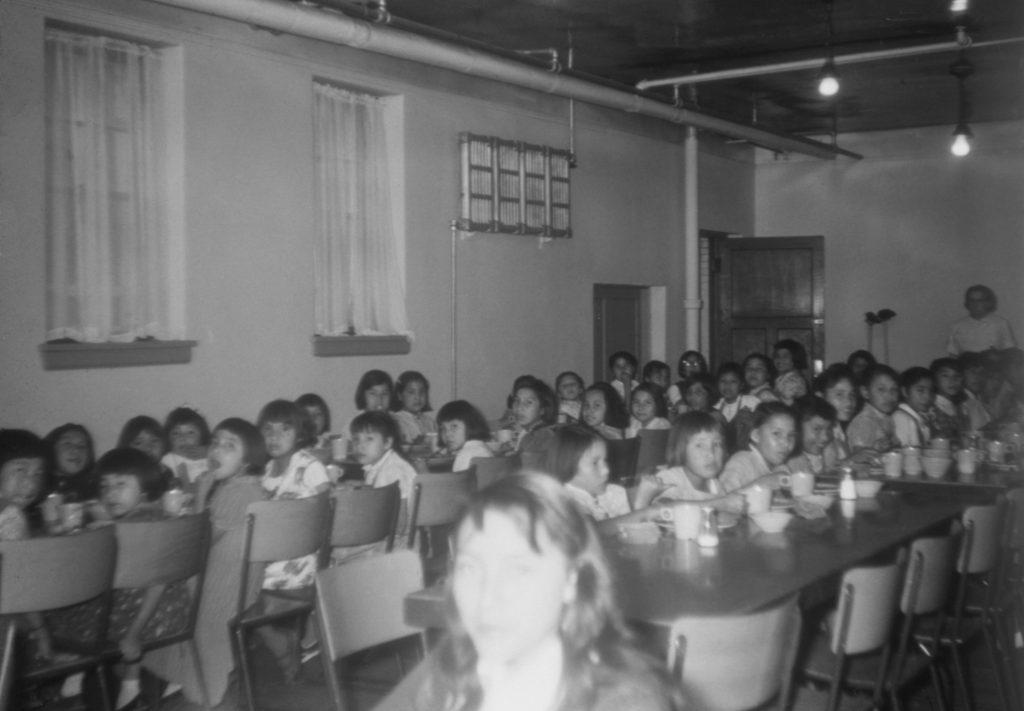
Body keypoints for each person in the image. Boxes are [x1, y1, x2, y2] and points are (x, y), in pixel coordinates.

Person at [375, 472, 684, 711]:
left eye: (518, 569)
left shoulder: (625, 701)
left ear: (571, 580)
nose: (487, 597)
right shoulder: (445, 675)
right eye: (470, 568)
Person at [146, 418, 266, 707]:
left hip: (218, 593)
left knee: (152, 584)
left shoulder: (237, 492)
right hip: (233, 586)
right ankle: (178, 673)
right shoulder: (242, 486)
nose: (217, 450)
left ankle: (144, 683)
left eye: (230, 445)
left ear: (248, 458)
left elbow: (197, 544)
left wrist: (200, 495)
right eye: (215, 442)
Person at [54, 448, 186, 710]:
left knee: (72, 609)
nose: (110, 493)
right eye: (105, 486)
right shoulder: (149, 516)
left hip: (150, 615)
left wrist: (134, 634)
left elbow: (156, 583)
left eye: (120, 484)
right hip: (164, 610)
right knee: (87, 602)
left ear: (145, 488)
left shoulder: (143, 525)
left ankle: (84, 673)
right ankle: (115, 682)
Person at [256, 399, 331, 682]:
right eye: (268, 430)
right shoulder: (266, 471)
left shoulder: (309, 466)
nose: (274, 437)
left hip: (301, 559)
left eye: (284, 430)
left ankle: (279, 643)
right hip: (271, 554)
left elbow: (327, 511)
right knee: (229, 579)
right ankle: (279, 638)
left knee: (238, 588)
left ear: (300, 434)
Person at [545, 425, 661, 535]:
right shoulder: (564, 499)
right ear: (566, 465)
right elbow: (593, 533)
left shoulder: (613, 493)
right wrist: (644, 512)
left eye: (605, 460)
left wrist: (642, 502)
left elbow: (629, 535)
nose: (606, 470)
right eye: (595, 463)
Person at [653, 412, 744, 514]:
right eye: (700, 445)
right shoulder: (670, 478)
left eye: (716, 444)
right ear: (680, 450)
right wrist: (718, 504)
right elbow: (663, 510)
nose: (710, 453)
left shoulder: (715, 485)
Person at [720, 402, 797, 492]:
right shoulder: (741, 463)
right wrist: (761, 484)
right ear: (756, 435)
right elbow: (722, 500)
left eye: (791, 436)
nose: (786, 443)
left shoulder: (782, 468)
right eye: (776, 433)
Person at [947, 284, 1016, 356]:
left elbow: (1010, 351)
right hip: (966, 365)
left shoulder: (1001, 323)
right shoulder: (957, 325)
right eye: (972, 300)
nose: (975, 304)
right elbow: (953, 353)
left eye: (980, 300)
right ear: (967, 302)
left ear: (988, 302)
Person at [846, 364, 899, 455]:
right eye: (881, 390)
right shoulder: (864, 421)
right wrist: (875, 448)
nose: (889, 395)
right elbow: (858, 455)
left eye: (893, 390)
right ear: (865, 392)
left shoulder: (886, 417)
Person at [43, 423, 98, 503]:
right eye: (67, 444)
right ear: (51, 448)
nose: (76, 450)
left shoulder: (97, 488)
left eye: (82, 446)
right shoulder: (39, 485)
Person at [160, 407, 211, 491]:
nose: (183, 438)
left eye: (190, 432)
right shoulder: (168, 459)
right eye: (176, 433)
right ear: (168, 438)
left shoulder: (206, 456)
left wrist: (208, 452)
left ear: (202, 437)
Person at [713, 362, 759, 453]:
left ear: (741, 385)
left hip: (748, 451)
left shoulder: (751, 401)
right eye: (723, 381)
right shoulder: (716, 406)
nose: (727, 386)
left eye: (733, 381)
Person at [786, 396, 837, 476]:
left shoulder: (827, 452)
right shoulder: (792, 461)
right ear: (796, 427)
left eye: (829, 429)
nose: (825, 437)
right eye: (817, 429)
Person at [437, 400, 494, 472]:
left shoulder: (465, 455)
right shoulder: (483, 447)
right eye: (443, 428)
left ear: (471, 425)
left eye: (454, 426)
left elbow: (457, 483)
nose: (447, 434)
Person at [511, 377, 559, 462]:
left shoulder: (538, 438)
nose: (519, 408)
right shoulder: (536, 432)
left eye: (528, 402)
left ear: (543, 409)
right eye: (517, 401)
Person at [892, 367, 935, 447]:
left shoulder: (921, 417)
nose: (928, 396)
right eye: (920, 390)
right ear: (905, 391)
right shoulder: (901, 418)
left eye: (931, 391)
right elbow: (903, 453)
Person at [345, 369, 394, 436]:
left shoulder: (397, 421)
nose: (379, 399)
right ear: (363, 395)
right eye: (373, 393)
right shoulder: (354, 424)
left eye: (385, 393)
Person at [930, 357, 967, 440]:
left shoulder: (962, 408)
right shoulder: (931, 409)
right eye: (945, 376)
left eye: (957, 376)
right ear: (934, 380)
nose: (953, 380)